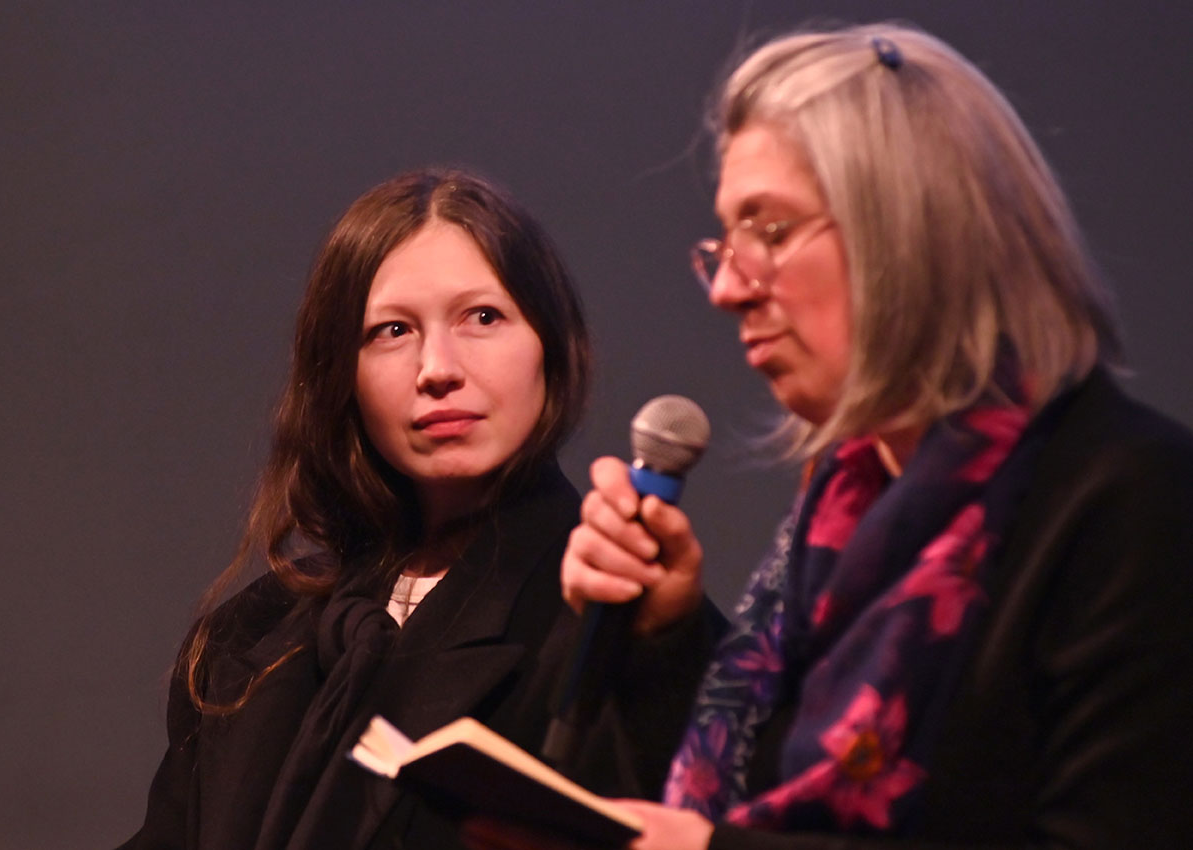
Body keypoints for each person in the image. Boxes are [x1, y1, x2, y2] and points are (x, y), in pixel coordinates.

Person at [549, 22, 1193, 850]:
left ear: (912, 228)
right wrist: (661, 642)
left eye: (771, 231)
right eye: (726, 243)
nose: (729, 289)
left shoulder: (1133, 502)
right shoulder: (840, 515)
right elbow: (741, 808)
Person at [117, 167, 613, 850]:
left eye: (483, 317)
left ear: (551, 348)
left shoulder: (621, 629)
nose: (438, 368)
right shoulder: (246, 637)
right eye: (391, 330)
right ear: (340, 374)